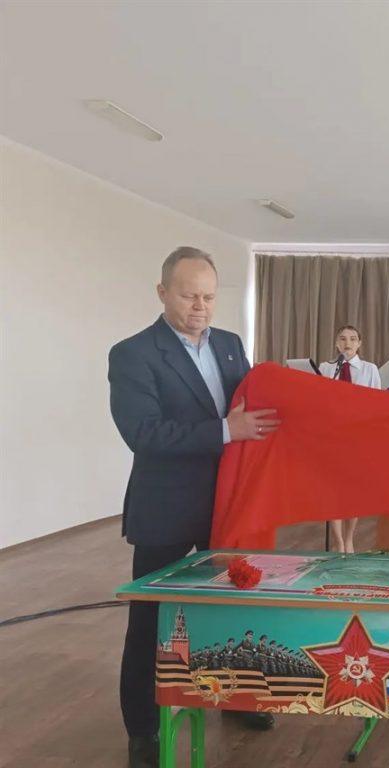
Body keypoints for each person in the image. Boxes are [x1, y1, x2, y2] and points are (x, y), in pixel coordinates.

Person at [109, 247, 281, 768]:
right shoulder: (133, 353)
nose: (200, 307)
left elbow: (250, 405)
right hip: (165, 508)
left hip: (226, 505)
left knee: (230, 608)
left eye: (208, 297)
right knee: (150, 624)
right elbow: (144, 433)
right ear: (162, 292)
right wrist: (227, 430)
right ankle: (143, 731)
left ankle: (235, 699)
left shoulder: (229, 345)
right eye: (189, 296)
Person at [319, 325, 382, 552]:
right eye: (343, 339)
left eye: (353, 339)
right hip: (333, 437)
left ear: (359, 343)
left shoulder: (369, 369)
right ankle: (337, 541)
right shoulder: (326, 368)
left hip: (358, 438)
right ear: (337, 343)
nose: (348, 343)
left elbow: (378, 403)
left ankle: (349, 538)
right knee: (333, 490)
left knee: (353, 491)